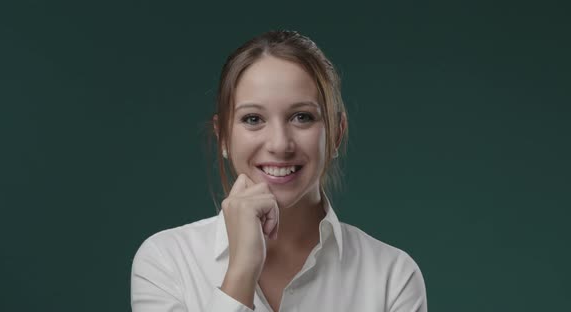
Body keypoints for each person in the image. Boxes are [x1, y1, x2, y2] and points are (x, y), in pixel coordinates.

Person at [130, 30, 427, 312]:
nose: (279, 144)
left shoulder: (392, 276)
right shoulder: (166, 261)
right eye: (253, 119)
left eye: (302, 117)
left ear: (336, 133)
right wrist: (241, 270)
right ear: (223, 136)